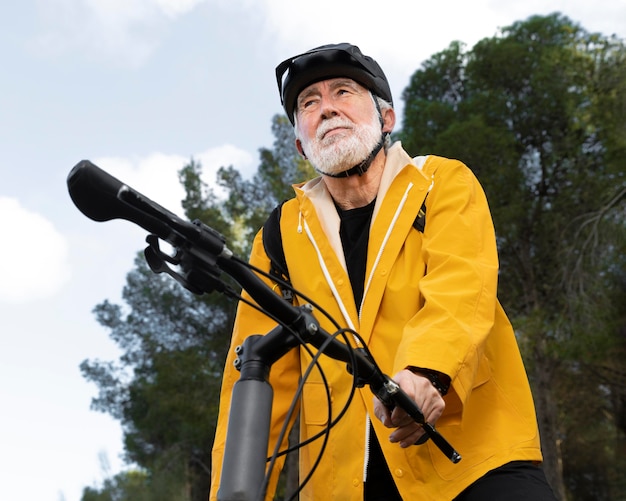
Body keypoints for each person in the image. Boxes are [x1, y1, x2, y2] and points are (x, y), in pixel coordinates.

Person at [210, 43, 557, 501]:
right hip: (341, 483)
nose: (326, 108)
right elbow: (255, 371)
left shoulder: (440, 182)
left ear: (386, 119)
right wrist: (235, 490)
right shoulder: (278, 235)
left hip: (472, 460)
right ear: (300, 144)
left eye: (343, 91)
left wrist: (427, 373)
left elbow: (461, 287)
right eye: (309, 103)